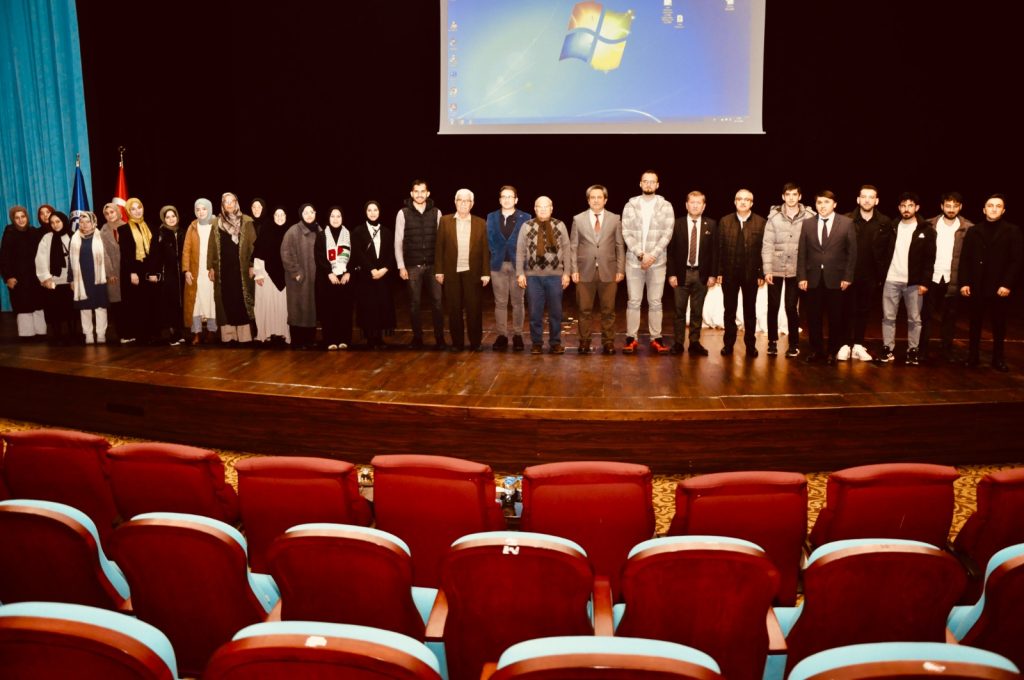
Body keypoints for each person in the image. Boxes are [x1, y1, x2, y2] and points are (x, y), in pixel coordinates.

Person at [959, 194, 1022, 371]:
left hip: (999, 287)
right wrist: (964, 282)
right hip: (977, 285)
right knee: (975, 324)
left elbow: (1016, 261)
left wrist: (1007, 284)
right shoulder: (974, 231)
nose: (994, 209)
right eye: (990, 205)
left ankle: (998, 359)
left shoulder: (1012, 231)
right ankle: (973, 357)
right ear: (984, 209)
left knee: (999, 325)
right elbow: (965, 259)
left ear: (1003, 210)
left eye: (998, 206)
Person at [873, 192, 936, 366]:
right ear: (899, 208)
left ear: (917, 207)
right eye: (903, 205)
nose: (906, 209)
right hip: (891, 279)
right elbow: (881, 251)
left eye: (910, 205)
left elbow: (929, 259)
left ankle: (913, 350)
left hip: (914, 282)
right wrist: (881, 274)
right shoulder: (891, 227)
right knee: (888, 317)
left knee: (915, 318)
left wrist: (925, 282)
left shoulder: (926, 230)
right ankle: (888, 348)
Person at [797, 190, 857, 364]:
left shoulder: (846, 223)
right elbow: (802, 252)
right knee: (813, 318)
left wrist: (848, 276)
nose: (822, 206)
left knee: (835, 318)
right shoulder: (807, 223)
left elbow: (852, 253)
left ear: (834, 204)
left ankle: (832, 351)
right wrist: (802, 276)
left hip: (837, 279)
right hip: (813, 278)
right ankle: (816, 351)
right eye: (819, 202)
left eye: (826, 202)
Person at [621, 170, 675, 354]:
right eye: (646, 181)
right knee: (634, 301)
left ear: (657, 185)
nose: (649, 184)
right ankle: (631, 338)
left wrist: (652, 256)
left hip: (657, 262)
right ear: (640, 184)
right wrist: (640, 254)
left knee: (655, 302)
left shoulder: (666, 206)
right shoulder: (630, 205)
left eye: (652, 181)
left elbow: (668, 232)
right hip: (634, 262)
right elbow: (626, 231)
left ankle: (656, 338)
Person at [571, 184, 624, 355]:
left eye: (599, 197)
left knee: (608, 310)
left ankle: (608, 342)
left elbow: (619, 245)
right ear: (588, 200)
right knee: (584, 310)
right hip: (584, 271)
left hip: (609, 271)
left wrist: (620, 269)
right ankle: (584, 341)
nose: (596, 200)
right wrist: (573, 269)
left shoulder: (615, 219)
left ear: (605, 200)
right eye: (592, 197)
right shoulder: (578, 219)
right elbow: (573, 246)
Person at [762, 183, 814, 358]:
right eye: (788, 194)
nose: (791, 198)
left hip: (796, 269)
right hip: (775, 268)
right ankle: (772, 342)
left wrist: (806, 271)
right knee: (773, 306)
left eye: (794, 194)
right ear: (783, 197)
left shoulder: (809, 217)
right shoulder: (774, 217)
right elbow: (767, 244)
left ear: (800, 196)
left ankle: (794, 344)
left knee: (791, 307)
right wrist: (767, 269)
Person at [435, 189, 490, 352]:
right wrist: (439, 270)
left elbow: (485, 250)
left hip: (473, 272)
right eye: (460, 200)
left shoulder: (481, 223)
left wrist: (485, 272)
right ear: (455, 202)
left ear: (472, 204)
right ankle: (457, 343)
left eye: (467, 201)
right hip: (451, 272)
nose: (464, 203)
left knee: (474, 309)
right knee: (454, 309)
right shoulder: (445, 221)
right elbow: (439, 247)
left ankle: (475, 342)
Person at [842, 185, 891, 361]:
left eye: (871, 197)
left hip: (871, 275)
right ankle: (845, 345)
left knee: (864, 311)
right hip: (848, 273)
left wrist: (881, 274)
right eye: (864, 196)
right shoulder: (846, 219)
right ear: (858, 199)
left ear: (876, 201)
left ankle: (858, 344)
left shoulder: (885, 222)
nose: (867, 200)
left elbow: (888, 250)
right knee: (846, 310)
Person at [517, 196, 571, 354]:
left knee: (556, 312)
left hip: (555, 277)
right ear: (535, 209)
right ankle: (537, 343)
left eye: (546, 206)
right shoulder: (526, 226)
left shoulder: (559, 225)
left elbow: (567, 250)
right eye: (539, 207)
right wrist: (520, 273)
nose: (542, 209)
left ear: (551, 208)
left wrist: (567, 273)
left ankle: (555, 342)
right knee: (535, 312)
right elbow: (520, 250)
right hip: (533, 277)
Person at [922, 192, 972, 362]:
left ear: (960, 207)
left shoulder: (968, 228)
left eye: (955, 206)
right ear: (942, 206)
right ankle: (922, 349)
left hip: (953, 277)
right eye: (948, 205)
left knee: (950, 316)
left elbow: (969, 257)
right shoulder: (928, 224)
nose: (951, 209)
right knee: (926, 315)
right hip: (932, 276)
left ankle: (946, 350)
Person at [717, 189, 767, 357]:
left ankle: (750, 345)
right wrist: (719, 271)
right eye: (739, 199)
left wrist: (761, 273)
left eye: (747, 200)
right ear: (735, 202)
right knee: (729, 311)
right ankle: (728, 344)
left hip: (751, 274)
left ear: (752, 203)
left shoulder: (761, 222)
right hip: (729, 273)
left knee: (750, 311)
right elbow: (719, 248)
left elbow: (764, 250)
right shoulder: (725, 221)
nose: (743, 202)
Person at [396, 179, 445, 349]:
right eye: (416, 191)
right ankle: (417, 337)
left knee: (438, 303)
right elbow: (398, 241)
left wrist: (441, 266)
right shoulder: (403, 213)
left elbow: (441, 241)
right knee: (414, 304)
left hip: (433, 266)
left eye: (422, 191)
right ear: (411, 193)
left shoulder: (436, 212)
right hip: (412, 266)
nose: (419, 194)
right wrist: (401, 266)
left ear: (428, 193)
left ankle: (440, 338)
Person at [666, 190, 716, 356]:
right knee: (679, 311)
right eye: (692, 202)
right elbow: (670, 252)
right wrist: (671, 274)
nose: (695, 206)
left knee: (697, 311)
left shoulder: (711, 225)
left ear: (704, 206)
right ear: (686, 205)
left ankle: (694, 342)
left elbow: (715, 252)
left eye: (698, 203)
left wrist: (712, 274)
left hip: (701, 275)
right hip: (681, 274)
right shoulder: (676, 224)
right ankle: (678, 343)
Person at [486, 185, 530, 351]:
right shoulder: (491, 217)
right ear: (499, 200)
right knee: (500, 302)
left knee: (518, 302)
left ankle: (518, 335)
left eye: (510, 196)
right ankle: (502, 335)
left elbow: (528, 242)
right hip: (497, 266)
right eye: (503, 196)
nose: (506, 199)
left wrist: (523, 267)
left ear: (516, 199)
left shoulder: (526, 217)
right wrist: (495, 252)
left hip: (518, 266)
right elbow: (489, 239)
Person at [210, 192, 257, 344]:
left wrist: (252, 265)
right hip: (223, 270)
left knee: (241, 300)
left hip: (241, 270)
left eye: (232, 201)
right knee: (225, 300)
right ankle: (229, 336)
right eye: (226, 202)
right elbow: (211, 247)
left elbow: (253, 245)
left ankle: (244, 336)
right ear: (222, 204)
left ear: (236, 203)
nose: (229, 204)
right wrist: (211, 267)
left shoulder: (247, 221)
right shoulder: (216, 223)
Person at [351, 200, 397, 349]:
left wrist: (385, 269)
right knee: (369, 306)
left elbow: (392, 253)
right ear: (365, 212)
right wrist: (371, 269)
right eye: (369, 210)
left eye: (375, 210)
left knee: (382, 305)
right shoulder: (358, 231)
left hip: (383, 276)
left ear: (379, 212)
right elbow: (358, 253)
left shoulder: (387, 231)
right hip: (366, 276)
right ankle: (371, 339)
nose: (372, 213)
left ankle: (379, 338)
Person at [1, 206, 48, 340]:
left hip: (35, 277)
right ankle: (27, 335)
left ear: (27, 217)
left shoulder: (33, 232)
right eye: (17, 218)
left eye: (23, 217)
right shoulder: (9, 234)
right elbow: (4, 258)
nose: (21, 220)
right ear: (13, 219)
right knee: (23, 305)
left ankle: (41, 332)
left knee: (38, 304)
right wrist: (8, 277)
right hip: (19, 279)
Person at [68, 211, 112, 344]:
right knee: (85, 308)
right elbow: (70, 261)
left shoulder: (101, 236)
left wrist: (110, 275)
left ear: (94, 223)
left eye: (88, 221)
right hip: (81, 278)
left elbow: (108, 257)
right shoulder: (74, 238)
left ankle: (101, 334)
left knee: (100, 307)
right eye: (81, 222)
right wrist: (71, 279)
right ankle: (88, 335)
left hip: (99, 277)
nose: (84, 224)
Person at [118, 197, 157, 344]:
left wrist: (153, 271)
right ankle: (139, 334)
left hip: (148, 268)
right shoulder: (123, 229)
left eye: (139, 207)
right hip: (134, 270)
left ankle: (150, 333)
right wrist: (132, 272)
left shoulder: (150, 226)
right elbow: (126, 254)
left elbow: (154, 252)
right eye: (133, 209)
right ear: (128, 211)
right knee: (136, 303)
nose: (137, 211)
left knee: (149, 302)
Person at [313, 206, 353, 350]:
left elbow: (354, 256)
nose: (335, 219)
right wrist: (329, 273)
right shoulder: (321, 236)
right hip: (327, 279)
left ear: (342, 218)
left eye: (338, 216)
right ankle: (330, 340)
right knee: (328, 310)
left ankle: (344, 339)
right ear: (328, 218)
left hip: (344, 279)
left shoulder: (349, 234)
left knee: (344, 310)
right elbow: (319, 257)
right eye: (333, 216)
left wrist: (348, 272)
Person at [281, 204, 320, 350]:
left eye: (312, 212)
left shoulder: (319, 230)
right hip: (298, 279)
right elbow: (286, 253)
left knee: (311, 310)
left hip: (314, 278)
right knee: (298, 309)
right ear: (301, 214)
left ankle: (310, 340)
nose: (309, 215)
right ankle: (297, 341)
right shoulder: (293, 231)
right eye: (306, 212)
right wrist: (296, 272)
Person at [181, 198, 219, 344]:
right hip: (195, 272)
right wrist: (186, 270)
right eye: (198, 209)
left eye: (204, 209)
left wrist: (215, 267)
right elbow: (186, 250)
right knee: (195, 303)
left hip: (210, 271)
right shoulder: (192, 227)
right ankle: (196, 332)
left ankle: (211, 331)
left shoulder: (215, 225)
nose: (201, 212)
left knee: (211, 302)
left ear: (209, 209)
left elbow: (218, 250)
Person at [35, 211, 75, 344]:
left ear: (64, 221)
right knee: (55, 310)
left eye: (58, 221)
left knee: (71, 309)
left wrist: (76, 279)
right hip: (53, 281)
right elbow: (40, 259)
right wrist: (45, 278)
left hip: (70, 280)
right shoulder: (47, 238)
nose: (55, 225)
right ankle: (57, 335)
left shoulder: (73, 236)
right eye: (52, 222)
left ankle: (73, 334)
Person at [253, 206, 290, 345]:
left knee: (282, 306)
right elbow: (258, 253)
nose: (279, 217)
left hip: (286, 276)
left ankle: (283, 333)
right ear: (273, 217)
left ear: (286, 217)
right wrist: (259, 274)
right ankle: (266, 333)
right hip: (266, 275)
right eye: (276, 215)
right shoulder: (266, 231)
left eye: (282, 215)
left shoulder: (290, 232)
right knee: (267, 305)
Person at [152, 205, 186, 345]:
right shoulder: (160, 233)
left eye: (173, 216)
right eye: (167, 217)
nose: (171, 219)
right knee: (169, 303)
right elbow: (155, 255)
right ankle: (172, 333)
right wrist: (154, 273)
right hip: (168, 274)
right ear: (163, 219)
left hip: (181, 274)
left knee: (180, 303)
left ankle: (179, 331)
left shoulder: (183, 232)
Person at [99, 203, 124, 342]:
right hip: (113, 273)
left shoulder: (127, 226)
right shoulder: (102, 232)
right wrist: (110, 273)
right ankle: (121, 333)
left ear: (118, 212)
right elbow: (104, 255)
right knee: (117, 304)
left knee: (129, 303)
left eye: (112, 212)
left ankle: (132, 331)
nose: (110, 215)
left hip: (127, 271)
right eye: (107, 213)